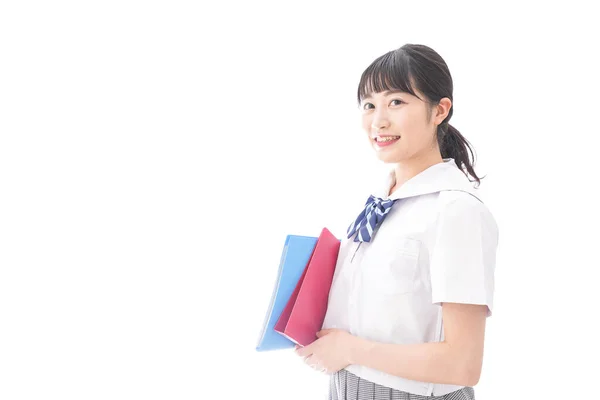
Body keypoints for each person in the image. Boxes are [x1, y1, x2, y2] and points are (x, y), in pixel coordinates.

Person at [295, 44, 499, 400]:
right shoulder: (379, 204)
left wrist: (350, 349)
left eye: (397, 102)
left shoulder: (455, 210)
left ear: (440, 110)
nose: (379, 120)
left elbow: (463, 363)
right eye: (369, 105)